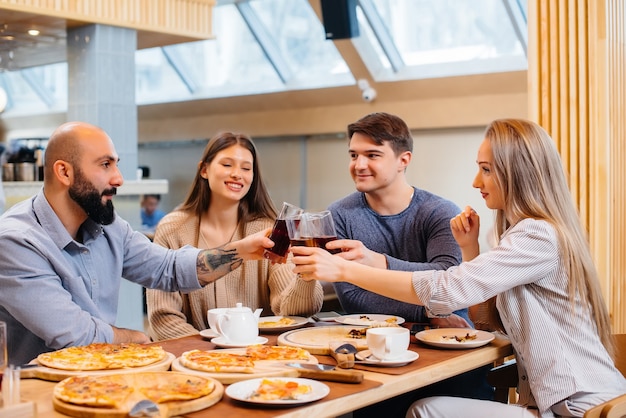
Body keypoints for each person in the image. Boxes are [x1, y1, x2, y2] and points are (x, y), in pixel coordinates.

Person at [292, 118, 626, 417]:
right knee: (425, 408)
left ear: (517, 173)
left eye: (486, 169)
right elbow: (484, 317)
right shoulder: (528, 232)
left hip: (581, 406)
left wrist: (345, 270)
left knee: (427, 410)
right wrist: (471, 250)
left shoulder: (537, 234)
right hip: (559, 402)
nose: (475, 180)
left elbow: (449, 290)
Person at [0, 122, 275, 365]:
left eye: (116, 164)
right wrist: (135, 339)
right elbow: (75, 334)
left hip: (101, 376)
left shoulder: (109, 227)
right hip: (32, 394)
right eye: (105, 165)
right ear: (64, 172)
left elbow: (168, 267)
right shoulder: (15, 241)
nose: (118, 178)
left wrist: (242, 250)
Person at [146, 132, 323, 340]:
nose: (237, 174)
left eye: (246, 168)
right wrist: (209, 353)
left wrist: (306, 276)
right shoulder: (173, 228)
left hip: (259, 355)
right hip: (194, 358)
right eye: (227, 165)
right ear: (204, 170)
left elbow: (291, 312)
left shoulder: (269, 229)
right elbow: (163, 318)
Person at [326, 112, 470, 328]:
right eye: (354, 155)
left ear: (403, 160)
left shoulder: (440, 211)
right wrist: (430, 311)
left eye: (372, 155)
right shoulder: (338, 214)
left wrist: (378, 262)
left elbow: (448, 279)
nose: (359, 165)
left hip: (448, 338)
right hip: (372, 339)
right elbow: (353, 297)